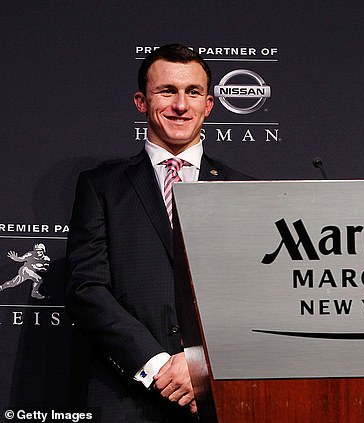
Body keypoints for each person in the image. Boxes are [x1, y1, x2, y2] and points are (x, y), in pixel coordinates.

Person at [65, 44, 251, 422]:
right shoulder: (101, 186)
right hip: (129, 398)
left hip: (224, 396)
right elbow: (87, 288)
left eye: (193, 92)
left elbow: (254, 294)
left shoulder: (243, 190)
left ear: (209, 105)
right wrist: (158, 367)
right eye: (167, 91)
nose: (180, 105)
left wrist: (201, 363)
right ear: (140, 101)